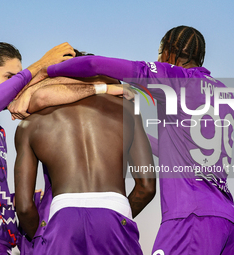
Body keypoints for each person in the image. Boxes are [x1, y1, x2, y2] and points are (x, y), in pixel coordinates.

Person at [41, 25, 234, 255]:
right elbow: (180, 149)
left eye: (159, 52)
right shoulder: (223, 93)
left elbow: (94, 64)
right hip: (227, 219)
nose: (158, 58)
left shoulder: (174, 78)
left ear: (169, 52)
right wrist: (133, 139)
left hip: (191, 217)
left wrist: (48, 69)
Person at [0, 41, 116, 254]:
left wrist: (25, 199)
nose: (16, 87)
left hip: (0, 245)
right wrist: (40, 65)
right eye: (9, 77)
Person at [14, 93, 156, 254]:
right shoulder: (127, 109)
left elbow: (24, 208)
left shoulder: (31, 123)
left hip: (63, 215)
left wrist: (42, 238)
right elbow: (147, 187)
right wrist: (114, 215)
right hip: (114, 209)